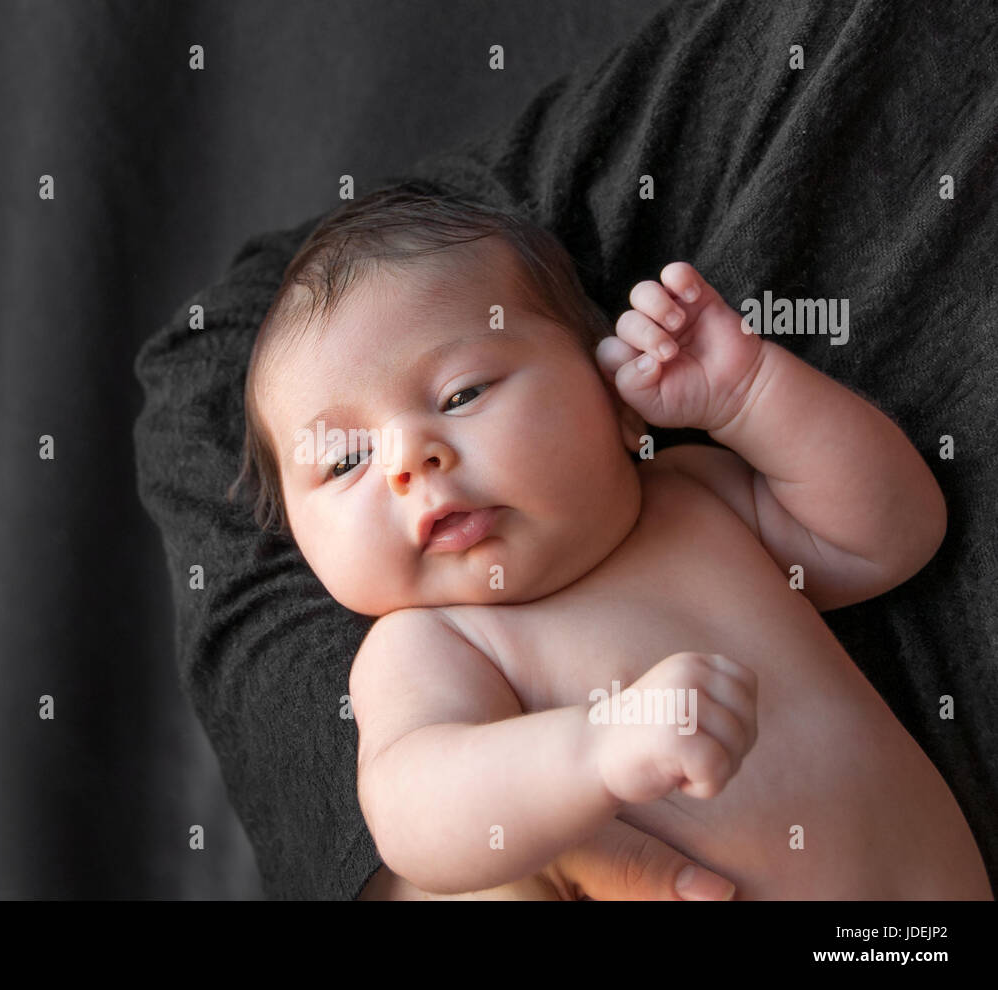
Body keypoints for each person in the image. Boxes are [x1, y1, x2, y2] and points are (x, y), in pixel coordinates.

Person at [228, 183, 992, 898]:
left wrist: (748, 393)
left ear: (617, 400)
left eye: (463, 393)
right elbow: (416, 814)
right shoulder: (431, 644)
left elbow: (896, 533)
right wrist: (599, 750)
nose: (408, 461)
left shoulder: (696, 497)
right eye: (344, 461)